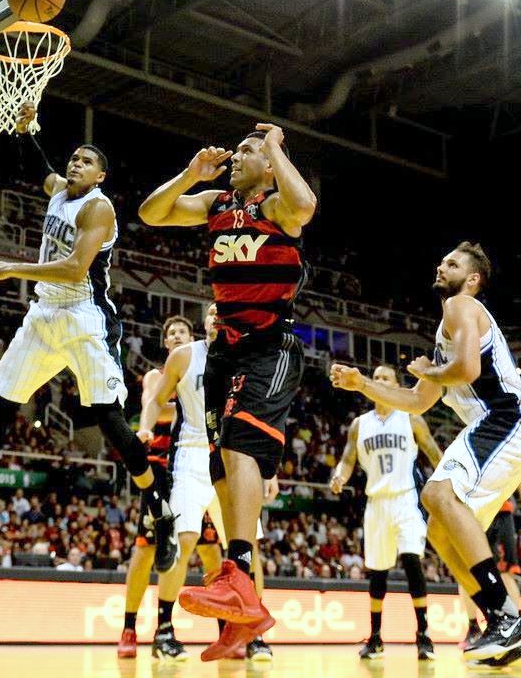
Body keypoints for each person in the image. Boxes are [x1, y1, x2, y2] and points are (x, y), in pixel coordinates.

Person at [0, 104, 177, 573]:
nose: (76, 163)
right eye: (74, 158)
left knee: (106, 418)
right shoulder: (59, 191)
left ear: (101, 175)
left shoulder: (98, 208)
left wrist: (11, 267)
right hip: (44, 314)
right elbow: (34, 166)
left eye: (86, 161)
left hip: (86, 318)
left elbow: (74, 268)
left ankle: (159, 507)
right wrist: (25, 129)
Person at [139, 124, 316, 658]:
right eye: (237, 150)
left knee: (238, 443)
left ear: (268, 162)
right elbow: (151, 212)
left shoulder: (279, 207)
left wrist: (277, 148)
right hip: (225, 351)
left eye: (247, 150)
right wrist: (190, 176)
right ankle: (242, 601)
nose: (236, 156)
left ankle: (238, 575)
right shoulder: (217, 202)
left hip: (271, 345)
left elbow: (305, 205)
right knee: (221, 462)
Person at [331, 242, 521, 663]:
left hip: (507, 420)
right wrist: (363, 385)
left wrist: (431, 371)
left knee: (436, 494)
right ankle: (501, 623)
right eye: (442, 259)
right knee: (438, 527)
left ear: (471, 279)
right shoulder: (444, 331)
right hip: (499, 428)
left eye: (452, 263)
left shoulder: (462, 306)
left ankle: (508, 618)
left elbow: (467, 371)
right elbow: (416, 401)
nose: (441, 265)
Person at [117, 312, 220, 661]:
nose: (177, 336)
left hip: (198, 463)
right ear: (165, 342)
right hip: (162, 469)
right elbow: (154, 406)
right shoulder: (156, 375)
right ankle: (130, 627)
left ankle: (225, 629)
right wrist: (187, 410)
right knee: (147, 548)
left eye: (183, 331)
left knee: (211, 550)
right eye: (171, 332)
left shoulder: (201, 368)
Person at [328, 364, 443, 661]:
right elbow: (347, 460)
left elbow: (434, 453)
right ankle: (376, 637)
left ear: (396, 385)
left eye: (385, 378)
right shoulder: (359, 424)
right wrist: (339, 476)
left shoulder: (411, 418)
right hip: (376, 503)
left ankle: (423, 635)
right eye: (376, 377)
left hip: (405, 499)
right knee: (377, 573)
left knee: (411, 561)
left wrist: (449, 481)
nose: (378, 381)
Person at [458, 479, 521, 664]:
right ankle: (474, 629)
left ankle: (515, 630)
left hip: (499, 513)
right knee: (466, 569)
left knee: (505, 573)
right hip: (472, 514)